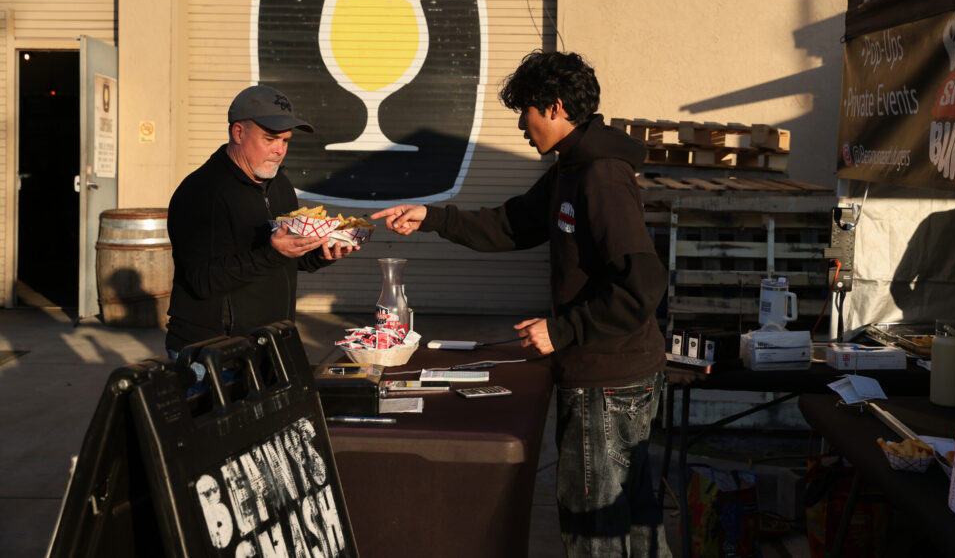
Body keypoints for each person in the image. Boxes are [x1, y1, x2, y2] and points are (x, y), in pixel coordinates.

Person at [371, 51, 671, 556]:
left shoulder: (600, 176)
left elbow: (642, 283)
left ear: (554, 108)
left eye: (525, 112)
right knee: (633, 526)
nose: (521, 126)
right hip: (611, 372)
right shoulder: (569, 170)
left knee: (595, 531)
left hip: (608, 380)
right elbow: (510, 225)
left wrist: (563, 330)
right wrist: (433, 217)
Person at [165, 85, 357, 376]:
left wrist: (321, 254)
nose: (279, 150)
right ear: (239, 133)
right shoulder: (202, 192)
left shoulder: (279, 185)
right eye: (270, 139)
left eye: (285, 140)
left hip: (267, 348)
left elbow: (286, 260)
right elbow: (202, 280)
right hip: (212, 356)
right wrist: (272, 253)